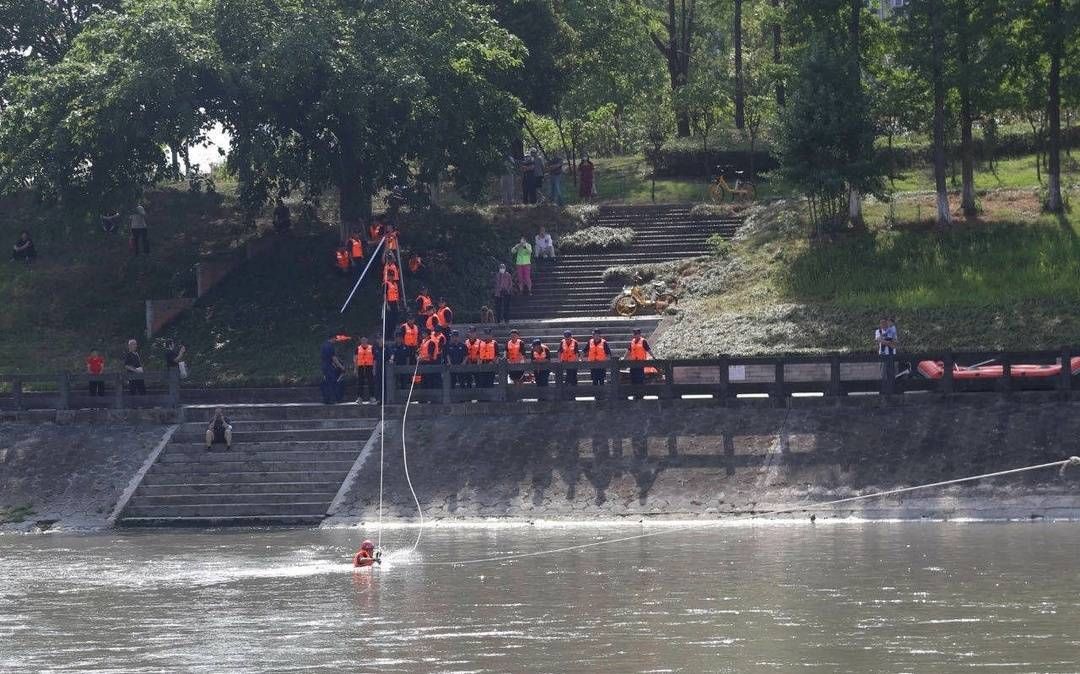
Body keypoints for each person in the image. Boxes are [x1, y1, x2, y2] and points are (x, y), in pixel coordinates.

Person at [624, 328, 653, 397]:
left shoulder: (643, 341)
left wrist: (654, 357)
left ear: (640, 334)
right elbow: (628, 351)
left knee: (640, 379)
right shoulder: (632, 342)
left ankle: (641, 394)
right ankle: (634, 394)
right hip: (633, 364)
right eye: (634, 334)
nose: (636, 335)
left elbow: (648, 350)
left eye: (637, 334)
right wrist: (624, 359)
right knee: (633, 379)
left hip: (640, 364)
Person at [320, 334, 346, 404]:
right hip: (329, 366)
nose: (335, 340)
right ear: (332, 338)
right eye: (335, 339)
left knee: (327, 382)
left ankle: (326, 399)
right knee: (332, 382)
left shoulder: (323, 345)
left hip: (324, 366)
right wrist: (341, 367)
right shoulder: (330, 346)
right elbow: (334, 358)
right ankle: (331, 399)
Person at [875, 317, 898, 394]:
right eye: (881, 323)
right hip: (883, 355)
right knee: (883, 373)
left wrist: (885, 342)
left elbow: (895, 343)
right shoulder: (878, 331)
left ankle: (894, 390)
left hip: (892, 355)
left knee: (894, 373)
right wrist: (889, 342)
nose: (883, 324)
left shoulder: (892, 330)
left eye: (884, 322)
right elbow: (879, 340)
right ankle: (883, 390)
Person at [355, 336, 377, 403]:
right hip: (360, 367)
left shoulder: (372, 348)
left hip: (369, 366)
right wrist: (355, 369)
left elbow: (375, 359)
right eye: (362, 340)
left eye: (365, 339)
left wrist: (374, 368)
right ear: (360, 340)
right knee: (360, 382)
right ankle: (359, 397)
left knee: (371, 382)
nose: (364, 341)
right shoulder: (357, 348)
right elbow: (355, 359)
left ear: (367, 340)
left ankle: (372, 397)